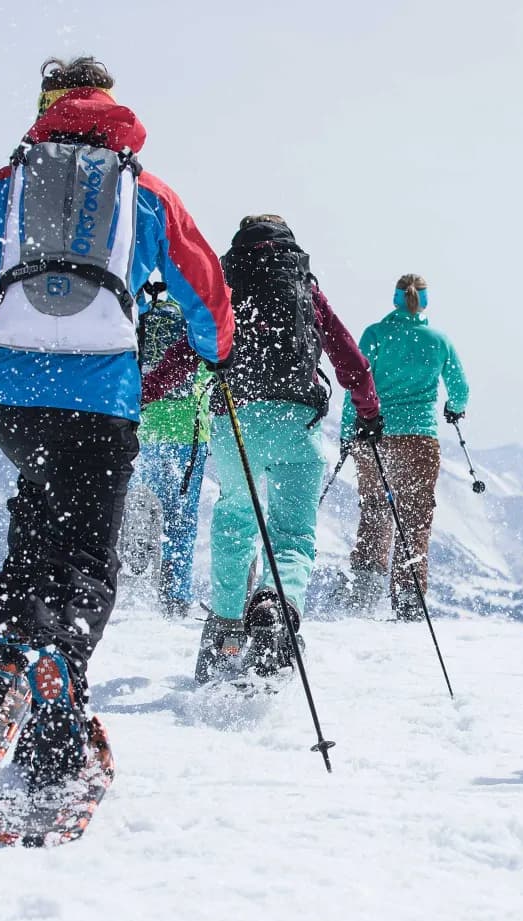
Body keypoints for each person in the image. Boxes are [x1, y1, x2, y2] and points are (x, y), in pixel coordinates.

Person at [0, 56, 233, 798]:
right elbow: (203, 287)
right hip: (102, 398)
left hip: (12, 397)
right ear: (112, 111)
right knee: (85, 558)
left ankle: (5, 645)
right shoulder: (144, 193)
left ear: (46, 108)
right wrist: (217, 356)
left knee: (44, 509)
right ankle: (58, 681)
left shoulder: (3, 188)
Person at [148, 215, 381, 682]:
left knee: (236, 520)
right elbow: (348, 356)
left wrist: (143, 390)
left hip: (238, 421)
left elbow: (189, 350)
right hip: (299, 423)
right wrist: (369, 411)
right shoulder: (305, 291)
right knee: (293, 533)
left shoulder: (226, 288)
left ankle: (226, 627)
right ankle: (277, 605)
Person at [339, 274, 469, 621]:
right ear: (424, 301)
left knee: (375, 511)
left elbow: (356, 381)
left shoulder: (376, 335)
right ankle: (409, 597)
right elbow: (460, 389)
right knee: (415, 517)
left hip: (375, 435)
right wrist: (454, 408)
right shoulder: (439, 340)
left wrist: (345, 433)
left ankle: (363, 594)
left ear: (396, 299)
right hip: (421, 439)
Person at [122, 285, 212, 618]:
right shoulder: (196, 319)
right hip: (187, 431)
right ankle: (175, 595)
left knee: (141, 501)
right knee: (181, 519)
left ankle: (134, 577)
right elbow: (208, 369)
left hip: (146, 425)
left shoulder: (145, 315)